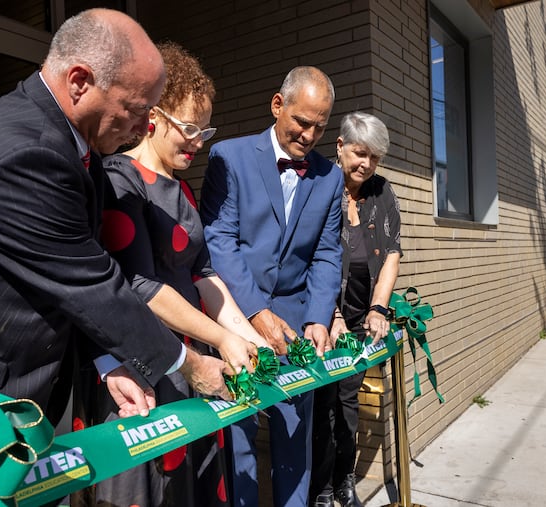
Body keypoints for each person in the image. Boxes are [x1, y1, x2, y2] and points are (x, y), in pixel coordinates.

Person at [0, 10, 236, 507]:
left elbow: (55, 279)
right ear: (81, 81)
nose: (139, 126)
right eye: (134, 108)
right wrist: (188, 362)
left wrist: (109, 362)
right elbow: (89, 284)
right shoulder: (26, 151)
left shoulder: (65, 146)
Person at [92, 41, 265, 507]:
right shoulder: (119, 178)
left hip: (197, 362)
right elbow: (142, 286)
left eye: (204, 131)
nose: (196, 141)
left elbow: (205, 276)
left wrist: (249, 338)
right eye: (188, 128)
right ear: (154, 116)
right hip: (148, 365)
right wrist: (223, 338)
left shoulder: (183, 188)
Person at [200, 66, 344, 507]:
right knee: (238, 436)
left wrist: (320, 316)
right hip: (237, 320)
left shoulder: (330, 176)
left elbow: (326, 254)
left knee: (293, 436)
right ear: (277, 105)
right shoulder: (228, 156)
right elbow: (219, 242)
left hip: (298, 328)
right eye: (302, 121)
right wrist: (256, 314)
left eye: (320, 126)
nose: (309, 134)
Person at [309, 112, 401, 507]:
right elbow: (311, 258)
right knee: (321, 406)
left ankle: (344, 481)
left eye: (374, 157)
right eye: (360, 153)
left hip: (362, 320)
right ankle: (321, 489)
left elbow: (393, 252)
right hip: (322, 316)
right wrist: (331, 316)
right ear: (341, 147)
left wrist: (379, 308)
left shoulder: (382, 192)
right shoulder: (320, 185)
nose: (366, 163)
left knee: (348, 403)